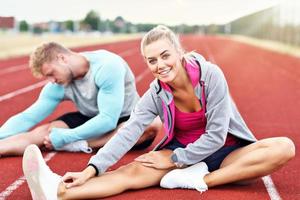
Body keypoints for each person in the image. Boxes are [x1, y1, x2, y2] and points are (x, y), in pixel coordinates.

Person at [22, 25, 295, 200]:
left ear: (179, 52)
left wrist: (176, 162)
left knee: (283, 148)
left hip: (227, 151)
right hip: (179, 152)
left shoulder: (210, 76)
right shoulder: (155, 92)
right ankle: (57, 190)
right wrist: (91, 169)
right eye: (152, 60)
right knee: (130, 173)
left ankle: (198, 179)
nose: (160, 65)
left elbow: (216, 135)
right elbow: (128, 131)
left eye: (165, 55)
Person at [0, 42, 160, 156]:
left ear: (62, 58)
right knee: (45, 131)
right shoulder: (57, 85)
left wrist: (68, 137)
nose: (51, 80)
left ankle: (80, 144)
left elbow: (108, 120)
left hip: (122, 117)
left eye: (51, 73)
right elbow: (28, 117)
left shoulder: (107, 66)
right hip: (89, 118)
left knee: (151, 126)